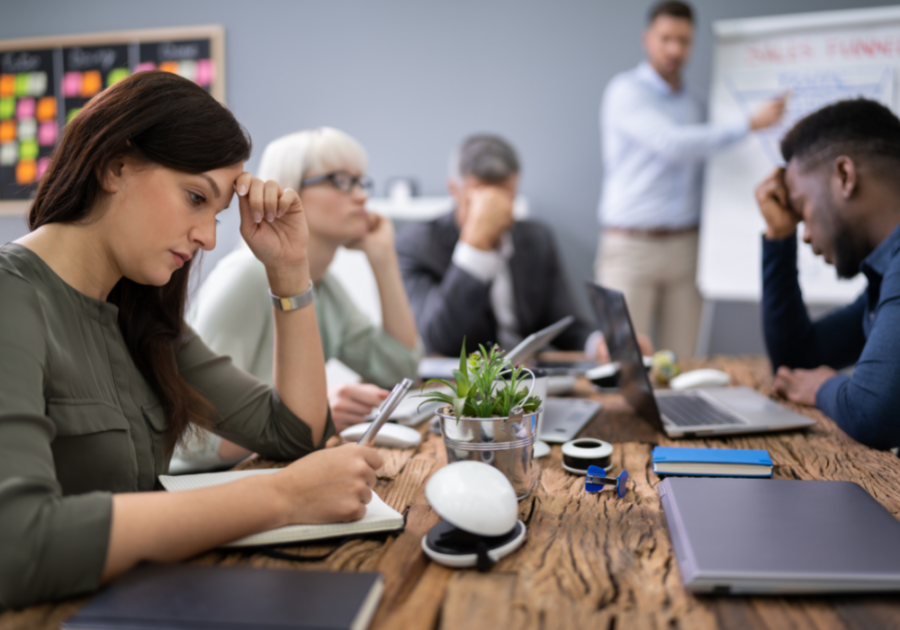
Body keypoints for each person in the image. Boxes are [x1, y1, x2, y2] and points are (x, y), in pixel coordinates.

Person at [0, 71, 383, 609]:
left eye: (219, 213)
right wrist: (278, 496)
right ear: (116, 166)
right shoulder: (10, 297)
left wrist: (290, 269)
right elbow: (16, 544)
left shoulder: (141, 317)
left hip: (144, 604)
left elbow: (297, 432)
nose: (208, 236)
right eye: (195, 198)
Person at [179, 128, 422, 470]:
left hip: (268, 469)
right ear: (289, 189)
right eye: (340, 181)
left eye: (360, 182)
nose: (362, 197)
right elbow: (191, 435)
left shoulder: (324, 287)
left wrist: (383, 259)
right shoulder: (246, 278)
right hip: (205, 486)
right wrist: (312, 411)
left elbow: (398, 367)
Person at [595, 0, 786, 360]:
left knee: (680, 363)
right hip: (631, 246)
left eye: (683, 40)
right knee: (621, 363)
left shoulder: (698, 104)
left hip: (687, 247)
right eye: (666, 38)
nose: (674, 49)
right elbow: (671, 144)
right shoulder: (626, 92)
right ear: (646, 39)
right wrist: (748, 124)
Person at [756, 98, 900, 450]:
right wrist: (779, 236)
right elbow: (798, 360)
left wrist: (824, 386)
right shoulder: (884, 274)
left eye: (802, 207)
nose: (804, 233)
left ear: (845, 177)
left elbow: (873, 414)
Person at [397, 134, 606, 359]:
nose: (495, 211)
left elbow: (564, 325)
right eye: (480, 200)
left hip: (527, 378)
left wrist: (597, 343)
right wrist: (476, 247)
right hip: (463, 384)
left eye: (505, 198)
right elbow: (439, 341)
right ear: (454, 189)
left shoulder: (536, 238)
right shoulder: (418, 245)